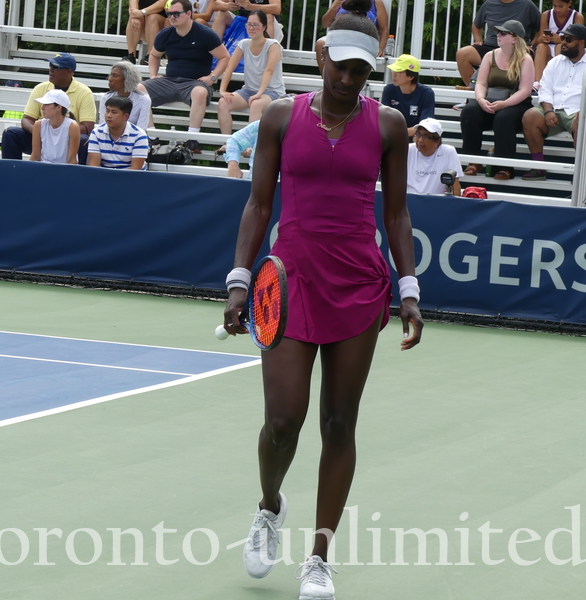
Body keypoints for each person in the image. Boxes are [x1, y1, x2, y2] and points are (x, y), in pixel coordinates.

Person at [222, 3, 423, 598]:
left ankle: (319, 557)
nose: (348, 78)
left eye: (360, 70)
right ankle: (268, 506)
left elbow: (397, 213)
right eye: (340, 65)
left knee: (339, 422)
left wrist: (408, 289)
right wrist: (239, 278)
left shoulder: (388, 126)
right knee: (284, 420)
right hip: (291, 280)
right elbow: (259, 205)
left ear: (371, 70)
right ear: (321, 54)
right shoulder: (282, 117)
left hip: (361, 284)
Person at [460, 20, 535, 180]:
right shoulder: (490, 55)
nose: (498, 35)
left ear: (515, 38)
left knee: (504, 117)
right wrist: (480, 99)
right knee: (470, 111)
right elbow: (480, 83)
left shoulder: (525, 59)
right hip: (492, 100)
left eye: (503, 33)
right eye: (498, 32)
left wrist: (505, 104)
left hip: (516, 104)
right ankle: (472, 161)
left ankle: (504, 167)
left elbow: (524, 90)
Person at [520, 23, 586, 181]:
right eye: (562, 39)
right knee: (530, 116)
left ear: (581, 42)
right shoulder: (555, 62)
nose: (563, 43)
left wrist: (583, 112)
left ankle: (582, 174)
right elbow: (545, 88)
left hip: (577, 111)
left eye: (568, 39)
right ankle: (539, 167)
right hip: (553, 108)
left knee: (582, 121)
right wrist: (548, 110)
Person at [140, 0, 230, 133]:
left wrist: (212, 77)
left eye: (176, 14)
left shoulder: (205, 33)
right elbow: (154, 55)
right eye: (169, 14)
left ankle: (192, 138)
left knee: (199, 92)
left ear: (188, 13)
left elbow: (224, 57)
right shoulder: (165, 34)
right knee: (139, 89)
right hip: (170, 81)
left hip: (195, 83)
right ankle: (151, 135)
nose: (171, 17)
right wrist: (153, 75)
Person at [1, 53, 96, 164]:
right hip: (41, 137)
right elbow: (26, 119)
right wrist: (39, 132)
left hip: (69, 140)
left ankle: (80, 178)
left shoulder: (84, 92)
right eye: (50, 66)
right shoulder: (40, 88)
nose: (51, 70)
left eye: (56, 67)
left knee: (85, 140)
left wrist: (61, 132)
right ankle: (12, 174)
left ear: (69, 71)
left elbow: (88, 128)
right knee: (10, 133)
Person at [217, 10, 285, 134]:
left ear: (264, 27)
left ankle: (250, 146)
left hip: (272, 92)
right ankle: (227, 143)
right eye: (249, 24)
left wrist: (259, 93)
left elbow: (269, 70)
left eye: (255, 25)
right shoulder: (244, 44)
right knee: (223, 103)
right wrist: (223, 90)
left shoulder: (273, 45)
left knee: (256, 104)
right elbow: (230, 67)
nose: (251, 28)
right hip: (248, 90)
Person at [455, 0, 539, 88]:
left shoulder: (527, 4)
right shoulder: (488, 4)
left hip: (516, 47)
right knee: (462, 54)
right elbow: (476, 24)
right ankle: (474, 89)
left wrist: (532, 44)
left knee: (525, 55)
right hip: (490, 46)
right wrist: (478, 40)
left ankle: (512, 91)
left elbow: (541, 27)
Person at [314, 0, 388, 73]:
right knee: (320, 44)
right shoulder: (339, 1)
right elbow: (325, 24)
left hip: (363, 39)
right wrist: (334, 7)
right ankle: (327, 81)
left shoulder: (376, 2)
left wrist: (380, 48)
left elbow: (384, 29)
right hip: (340, 38)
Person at [211, 0, 282, 73]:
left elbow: (277, 8)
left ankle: (265, 56)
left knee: (268, 16)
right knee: (221, 13)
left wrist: (251, 7)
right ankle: (213, 54)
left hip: (265, 25)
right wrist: (228, 6)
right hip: (243, 23)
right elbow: (215, 4)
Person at [87, 96, 150, 170]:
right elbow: (94, 167)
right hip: (103, 177)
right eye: (107, 111)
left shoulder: (139, 136)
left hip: (130, 179)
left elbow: (135, 169)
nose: (109, 115)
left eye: (114, 112)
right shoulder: (96, 133)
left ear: (125, 116)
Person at [381, 54, 436, 138]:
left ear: (411, 76)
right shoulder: (389, 90)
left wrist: (398, 133)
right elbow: (384, 121)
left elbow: (425, 126)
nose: (394, 74)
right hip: (392, 138)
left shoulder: (426, 93)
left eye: (399, 71)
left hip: (417, 140)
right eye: (393, 70)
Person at [407, 118, 462, 195]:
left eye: (425, 136)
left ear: (437, 141)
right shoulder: (408, 150)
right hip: (409, 201)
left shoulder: (448, 152)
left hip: (435, 202)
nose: (420, 140)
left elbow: (455, 186)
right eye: (418, 134)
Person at [532, 0, 583, 83]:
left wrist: (561, 40)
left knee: (560, 47)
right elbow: (540, 38)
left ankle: (559, 82)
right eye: (555, 6)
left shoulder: (576, 17)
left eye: (560, 6)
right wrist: (543, 38)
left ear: (569, 3)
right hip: (548, 48)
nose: (557, 9)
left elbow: (577, 39)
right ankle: (538, 82)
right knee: (541, 47)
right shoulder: (546, 15)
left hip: (568, 48)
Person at [29, 90, 80, 165]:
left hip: (63, 171)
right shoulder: (38, 125)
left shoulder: (72, 126)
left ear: (59, 107)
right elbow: (35, 156)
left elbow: (71, 160)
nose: (42, 108)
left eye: (46, 104)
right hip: (43, 170)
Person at [99, 61, 152, 131]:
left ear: (127, 79)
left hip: (134, 139)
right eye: (110, 75)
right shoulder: (106, 98)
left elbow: (141, 129)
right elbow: (103, 126)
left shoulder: (144, 100)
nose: (110, 79)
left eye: (115, 76)